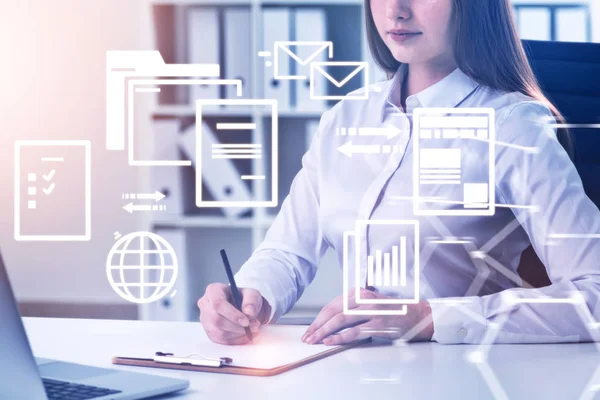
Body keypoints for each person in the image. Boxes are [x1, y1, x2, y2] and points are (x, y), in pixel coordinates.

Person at [197, 0, 600, 346]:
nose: (396, 11)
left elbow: (594, 293)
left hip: (464, 376)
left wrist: (429, 318)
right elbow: (288, 251)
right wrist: (250, 298)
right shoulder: (345, 119)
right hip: (352, 374)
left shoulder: (512, 126)